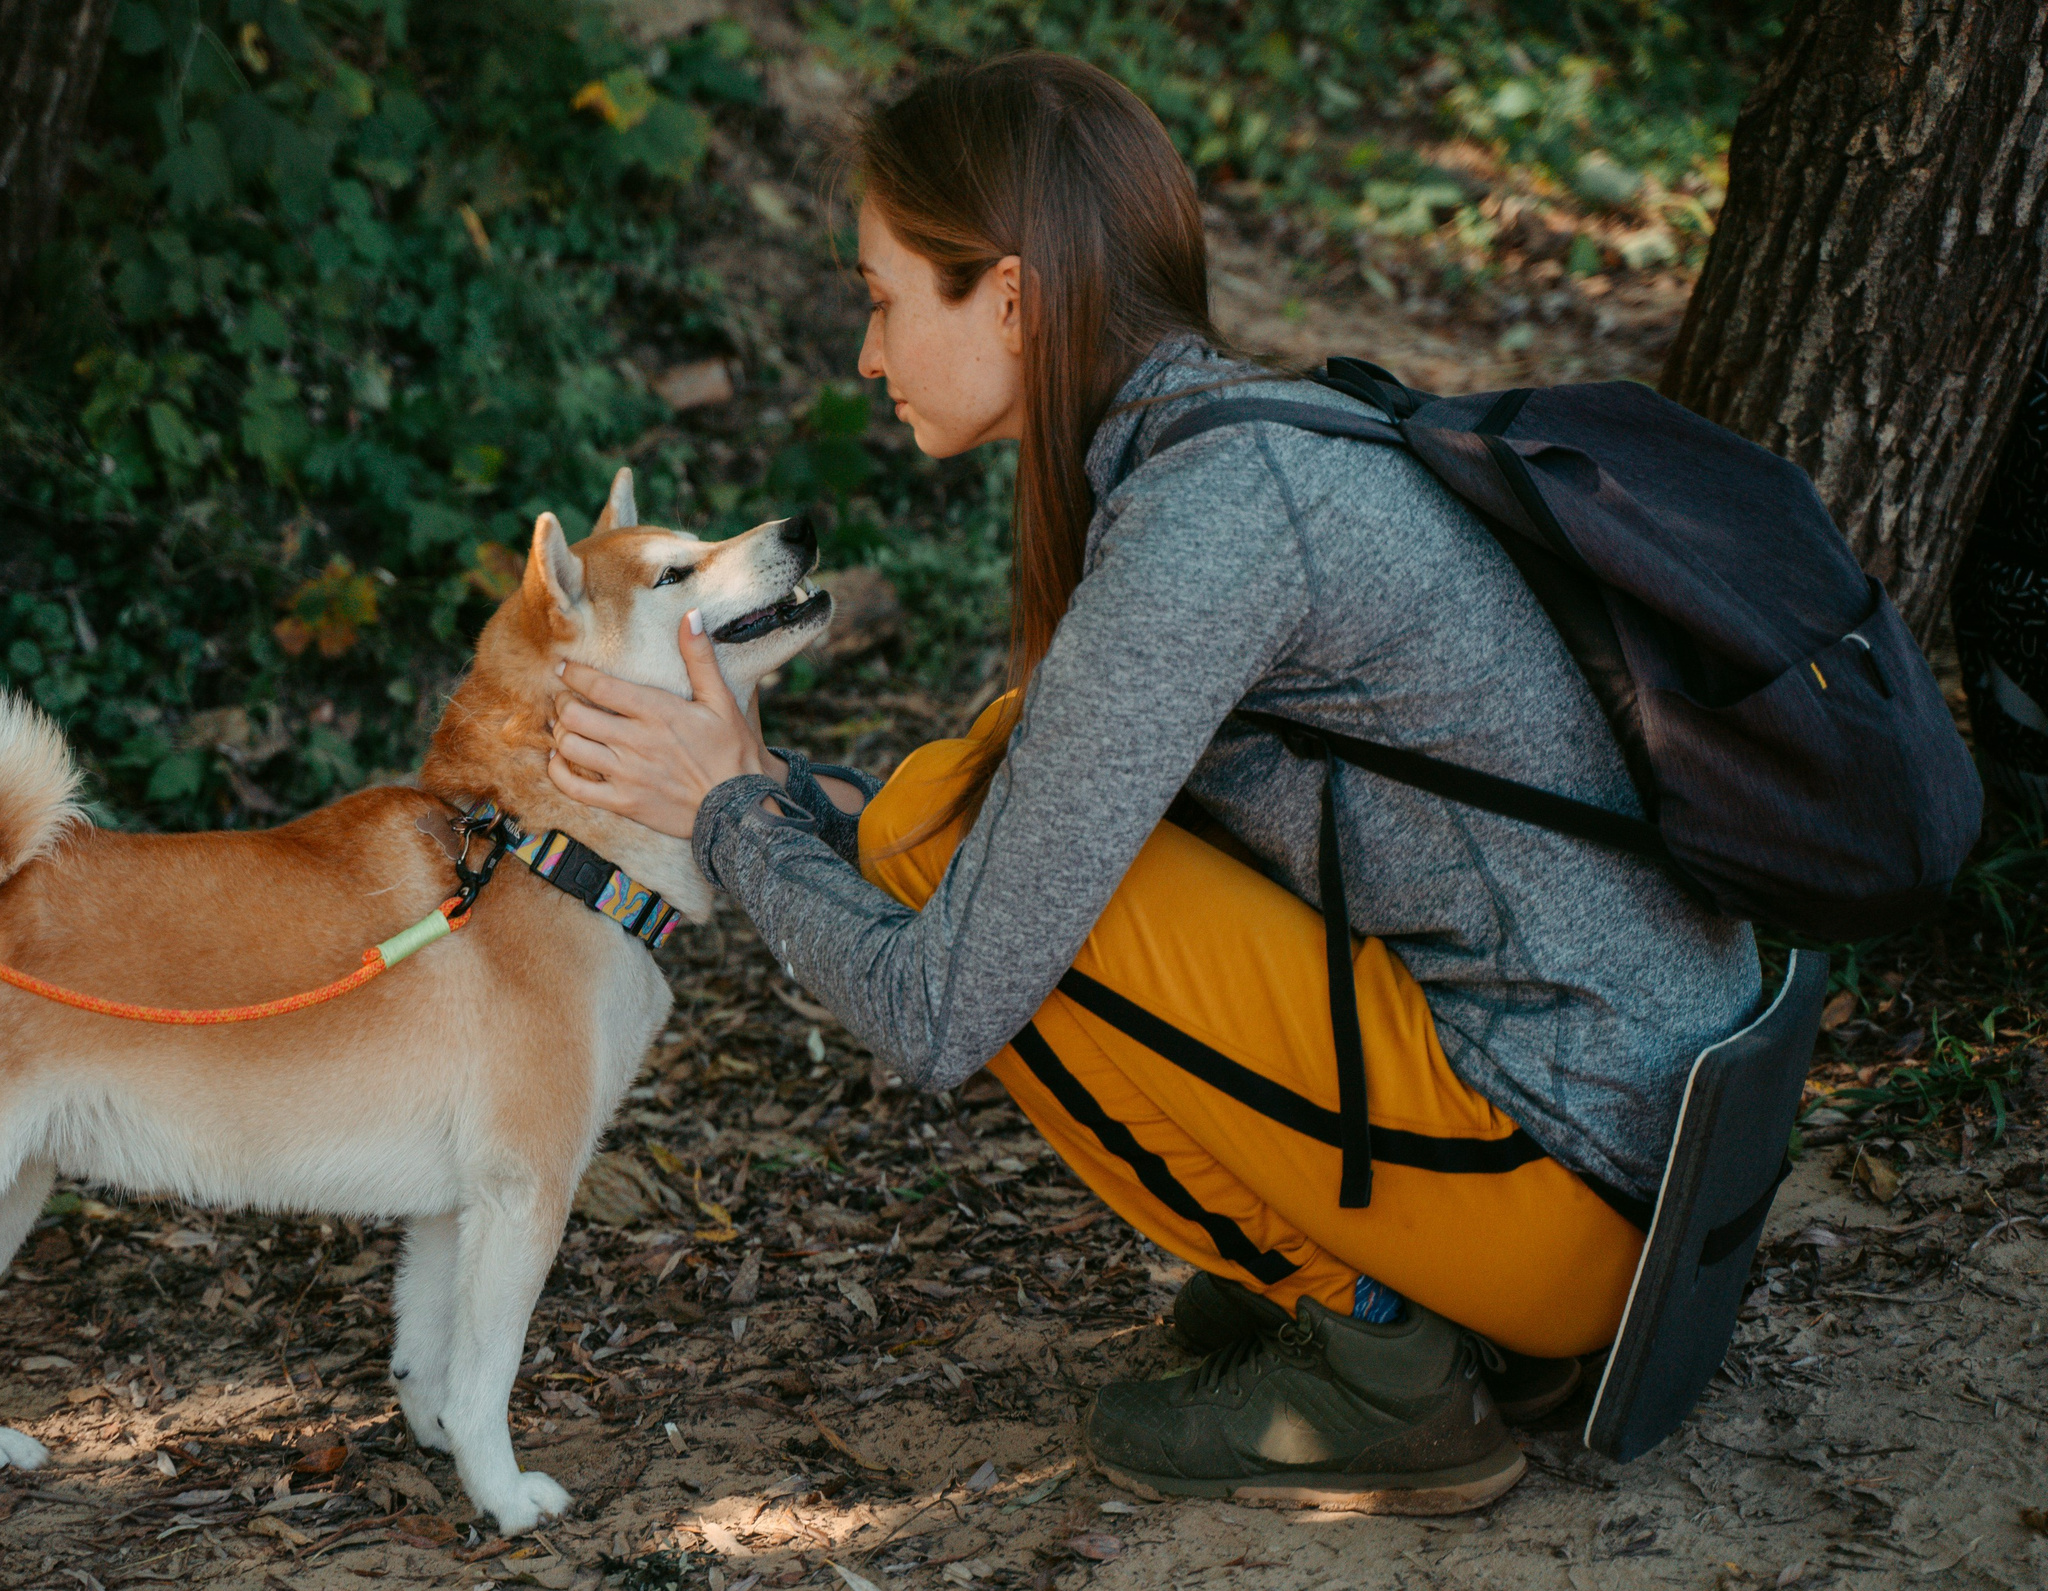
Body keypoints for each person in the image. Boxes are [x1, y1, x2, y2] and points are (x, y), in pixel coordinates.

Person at [540, 51, 1759, 1512]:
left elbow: (943, 1005)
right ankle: (1408, 1306)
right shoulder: (1246, 447)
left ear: (1008, 295)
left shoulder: (1206, 527)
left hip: (1575, 1198)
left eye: (880, 299)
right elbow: (1046, 810)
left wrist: (728, 816)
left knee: (962, 850)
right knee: (972, 813)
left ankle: (1390, 1363)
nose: (867, 355)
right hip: (1653, 1147)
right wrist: (765, 786)